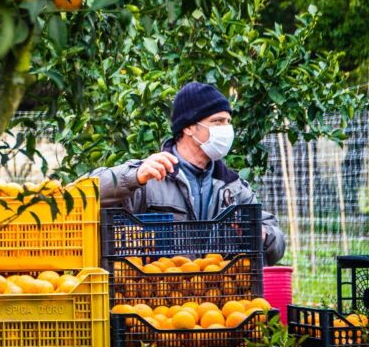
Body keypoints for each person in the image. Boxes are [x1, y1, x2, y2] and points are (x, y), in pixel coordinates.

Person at [92, 82, 285, 265]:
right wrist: (133, 177)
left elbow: (276, 244)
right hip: (159, 295)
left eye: (228, 122)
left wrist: (264, 235)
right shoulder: (151, 176)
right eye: (217, 121)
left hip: (218, 296)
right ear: (189, 127)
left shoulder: (233, 187)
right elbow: (84, 194)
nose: (226, 129)